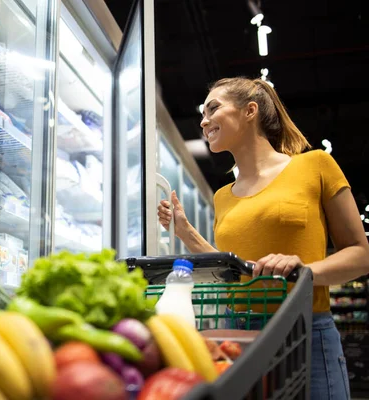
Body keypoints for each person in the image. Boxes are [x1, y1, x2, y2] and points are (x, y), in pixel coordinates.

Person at [157, 77, 369, 400]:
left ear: (250, 111)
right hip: (239, 337)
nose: (203, 120)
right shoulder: (222, 197)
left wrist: (305, 270)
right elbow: (235, 270)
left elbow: (360, 253)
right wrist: (185, 231)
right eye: (202, 112)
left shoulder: (315, 166)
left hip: (305, 331)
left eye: (213, 108)